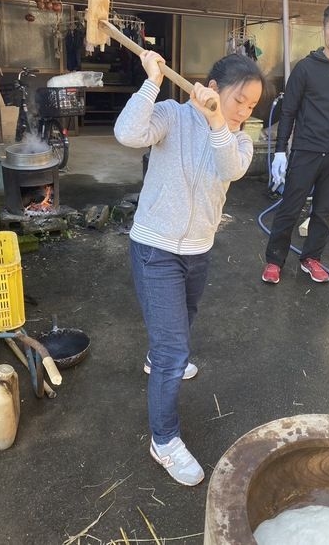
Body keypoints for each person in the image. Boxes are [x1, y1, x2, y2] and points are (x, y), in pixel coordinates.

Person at [114, 50, 264, 485]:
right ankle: (164, 440)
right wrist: (152, 81)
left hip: (198, 249)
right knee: (174, 352)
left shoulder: (238, 139)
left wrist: (221, 120)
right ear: (213, 88)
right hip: (154, 247)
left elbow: (230, 169)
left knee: (185, 319)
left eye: (252, 105)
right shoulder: (173, 116)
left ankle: (157, 355)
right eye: (239, 100)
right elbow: (128, 133)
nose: (244, 111)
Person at [261, 1, 329, 284]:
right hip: (306, 150)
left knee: (323, 212)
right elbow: (288, 111)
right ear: (324, 29)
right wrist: (280, 151)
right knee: (290, 208)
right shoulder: (306, 68)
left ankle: (311, 258)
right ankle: (274, 261)